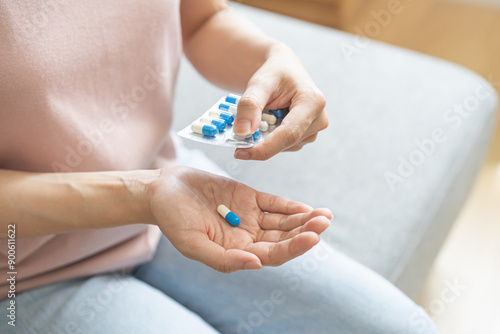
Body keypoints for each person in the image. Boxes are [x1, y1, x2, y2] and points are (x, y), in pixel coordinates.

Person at [0, 0, 439, 333]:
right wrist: (143, 195)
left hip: (163, 183)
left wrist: (273, 60)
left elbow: (199, 18)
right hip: (24, 271)